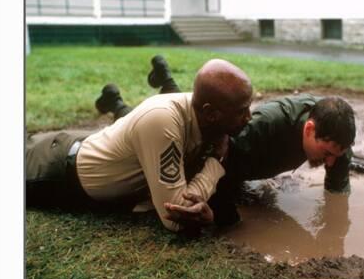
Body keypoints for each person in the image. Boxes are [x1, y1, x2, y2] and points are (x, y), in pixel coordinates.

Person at [95, 57, 356, 229]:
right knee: (165, 129)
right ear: (309, 130)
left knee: (184, 117)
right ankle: (116, 102)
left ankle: (164, 79)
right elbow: (213, 159)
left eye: (337, 155)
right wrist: (224, 217)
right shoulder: (259, 130)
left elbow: (338, 191)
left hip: (222, 133)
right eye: (327, 154)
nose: (331, 162)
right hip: (213, 141)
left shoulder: (336, 139)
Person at [26, 57, 253, 233]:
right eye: (242, 111)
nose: (249, 117)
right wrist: (215, 162)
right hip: (56, 170)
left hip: (91, 143)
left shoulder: (202, 115)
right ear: (210, 113)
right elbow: (174, 218)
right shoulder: (163, 120)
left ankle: (112, 99)